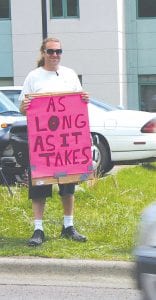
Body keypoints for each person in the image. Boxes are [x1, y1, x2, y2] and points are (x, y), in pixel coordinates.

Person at [19, 37, 89, 246]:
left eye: (58, 51)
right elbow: (23, 108)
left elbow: (78, 103)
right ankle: (38, 229)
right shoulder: (34, 77)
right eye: (50, 51)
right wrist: (27, 103)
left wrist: (84, 99)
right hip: (43, 144)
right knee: (39, 186)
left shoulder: (69, 75)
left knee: (68, 186)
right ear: (43, 53)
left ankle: (68, 226)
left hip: (66, 143)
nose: (55, 55)